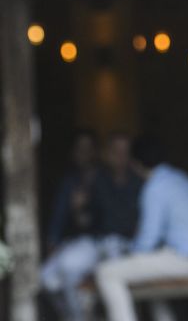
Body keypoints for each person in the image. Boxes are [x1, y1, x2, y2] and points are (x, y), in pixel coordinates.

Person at [95, 135, 188, 321]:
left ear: (135, 164)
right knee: (149, 275)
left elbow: (147, 241)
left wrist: (129, 254)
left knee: (107, 272)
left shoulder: (154, 187)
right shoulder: (180, 178)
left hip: (186, 260)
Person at [40, 131, 143, 321]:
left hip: (126, 245)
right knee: (61, 272)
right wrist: (78, 209)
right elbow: (85, 222)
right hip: (96, 242)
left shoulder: (139, 181)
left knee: (108, 275)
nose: (120, 157)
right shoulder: (97, 179)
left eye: (125, 152)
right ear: (107, 154)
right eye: (115, 151)